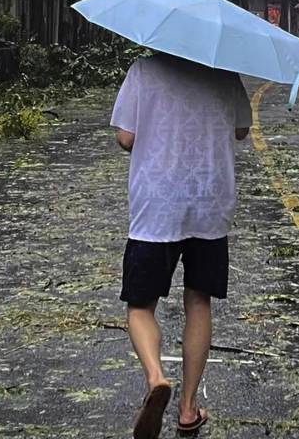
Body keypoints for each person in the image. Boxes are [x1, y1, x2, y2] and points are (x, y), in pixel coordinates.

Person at [110, 52, 252, 439]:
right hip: (209, 201)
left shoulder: (143, 70)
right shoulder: (225, 73)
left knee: (140, 305)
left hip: (156, 205)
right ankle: (189, 409)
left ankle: (156, 378)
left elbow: (125, 137)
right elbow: (241, 129)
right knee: (198, 300)